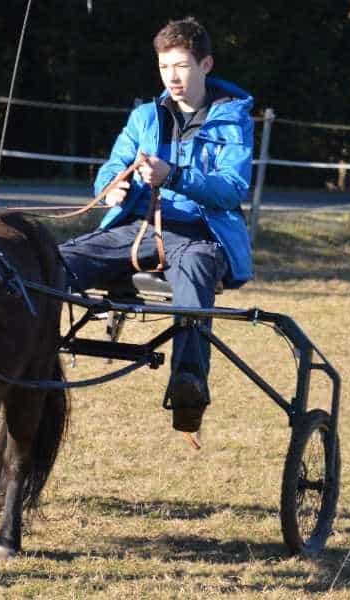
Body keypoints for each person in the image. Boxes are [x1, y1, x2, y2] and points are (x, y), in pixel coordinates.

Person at [58, 16, 254, 434]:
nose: (172, 77)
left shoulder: (232, 120)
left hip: (201, 234)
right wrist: (111, 187)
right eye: (165, 67)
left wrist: (176, 177)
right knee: (53, 261)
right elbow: (114, 165)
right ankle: (16, 355)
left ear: (205, 65)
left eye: (181, 66)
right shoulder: (144, 116)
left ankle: (188, 385)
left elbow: (232, 188)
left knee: (197, 269)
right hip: (137, 230)